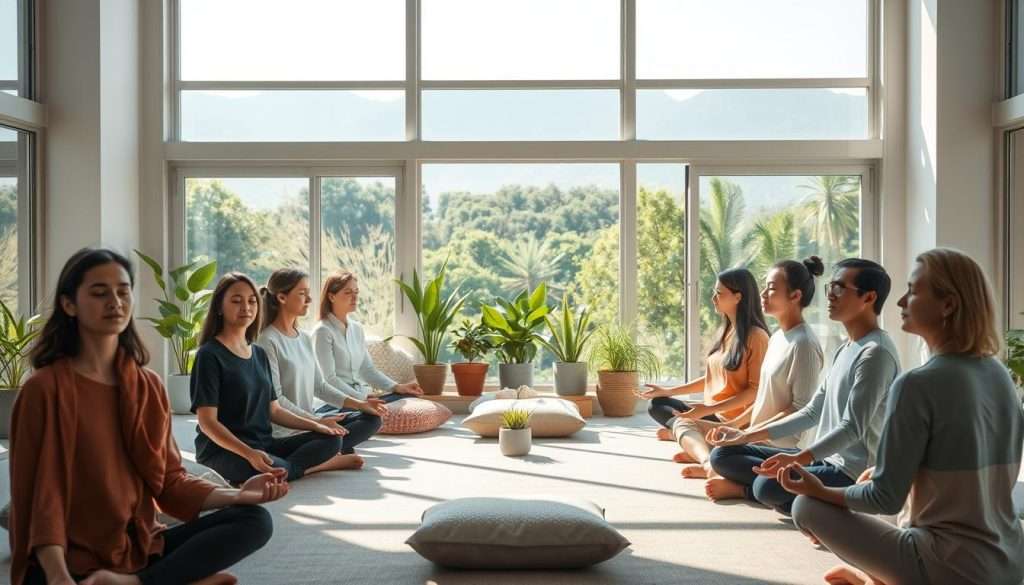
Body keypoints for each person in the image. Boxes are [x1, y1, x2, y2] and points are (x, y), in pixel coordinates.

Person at [10, 248, 285, 585]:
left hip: (138, 547)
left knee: (254, 520)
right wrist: (58, 575)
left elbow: (170, 481)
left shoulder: (148, 385)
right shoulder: (42, 389)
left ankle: (137, 582)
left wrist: (240, 495)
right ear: (69, 305)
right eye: (100, 293)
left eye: (123, 291)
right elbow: (40, 496)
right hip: (66, 556)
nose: (115, 301)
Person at [779, 248, 1024, 585]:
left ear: (948, 304)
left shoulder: (917, 383)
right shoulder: (999, 374)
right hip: (1010, 561)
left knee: (805, 507)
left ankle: (881, 578)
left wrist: (818, 489)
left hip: (948, 566)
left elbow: (884, 498)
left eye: (912, 290)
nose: (900, 302)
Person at [706, 259, 899, 515]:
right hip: (824, 458)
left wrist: (797, 459)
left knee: (766, 486)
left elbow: (852, 429)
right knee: (722, 454)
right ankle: (812, 503)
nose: (829, 294)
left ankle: (751, 491)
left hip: (850, 471)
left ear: (869, 297)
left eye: (840, 288)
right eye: (831, 286)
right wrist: (745, 436)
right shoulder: (846, 348)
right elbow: (811, 412)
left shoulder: (876, 354)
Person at [191, 272, 352, 485]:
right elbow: (207, 423)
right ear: (219, 307)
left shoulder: (258, 353)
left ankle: (294, 467)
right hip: (223, 452)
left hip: (264, 444)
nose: (246, 308)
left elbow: (274, 410)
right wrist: (249, 453)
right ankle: (318, 466)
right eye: (236, 301)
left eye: (251, 301)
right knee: (275, 469)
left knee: (332, 439)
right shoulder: (209, 355)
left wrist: (316, 424)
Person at [702, 258, 825, 500]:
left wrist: (748, 435)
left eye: (771, 288)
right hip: (761, 439)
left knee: (721, 457)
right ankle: (743, 477)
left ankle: (744, 488)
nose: (762, 294)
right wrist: (735, 427)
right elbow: (762, 398)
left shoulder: (805, 345)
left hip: (786, 448)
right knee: (721, 452)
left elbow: (800, 410)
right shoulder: (778, 337)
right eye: (764, 287)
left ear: (795, 296)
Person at [639, 268, 770, 478]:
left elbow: (755, 392)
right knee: (658, 404)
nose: (713, 298)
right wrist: (669, 390)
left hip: (736, 422)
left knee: (683, 421)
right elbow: (711, 379)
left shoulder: (757, 336)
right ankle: (694, 436)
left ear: (738, 297)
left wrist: (707, 410)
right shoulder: (726, 330)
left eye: (719, 293)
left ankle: (704, 458)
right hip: (714, 413)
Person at [257, 269, 393, 462]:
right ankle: (321, 461)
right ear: (281, 297)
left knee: (372, 419)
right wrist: (316, 422)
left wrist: (360, 404)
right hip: (284, 432)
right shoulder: (267, 341)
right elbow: (277, 401)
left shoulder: (303, 337)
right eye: (302, 293)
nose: (310, 299)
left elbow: (319, 386)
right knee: (333, 441)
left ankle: (324, 455)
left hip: (311, 424)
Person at [311, 271, 423, 408]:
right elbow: (329, 380)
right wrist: (362, 399)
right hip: (337, 402)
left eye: (356, 292)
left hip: (363, 396)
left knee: (407, 395)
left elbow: (367, 369)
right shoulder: (322, 331)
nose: (355, 297)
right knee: (373, 418)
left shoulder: (356, 329)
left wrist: (397, 387)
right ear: (331, 296)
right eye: (348, 292)